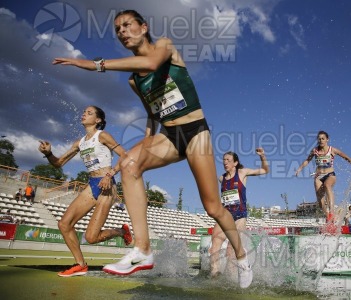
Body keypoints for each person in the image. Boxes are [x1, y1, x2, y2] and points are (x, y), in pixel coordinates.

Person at [52, 10, 253, 288]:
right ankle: (142, 249)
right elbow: (153, 114)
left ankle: (242, 257)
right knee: (129, 164)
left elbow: (152, 62)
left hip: (195, 133)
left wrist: (94, 64)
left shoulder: (164, 46)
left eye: (127, 25)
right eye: (117, 29)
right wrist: (145, 143)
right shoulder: (134, 80)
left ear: (144, 27)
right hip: (169, 136)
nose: (122, 32)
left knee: (213, 207)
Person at [38, 105, 132, 277]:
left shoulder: (102, 135)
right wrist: (49, 153)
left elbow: (125, 155)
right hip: (92, 184)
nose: (84, 114)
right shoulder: (79, 143)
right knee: (64, 224)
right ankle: (80, 265)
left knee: (91, 237)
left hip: (107, 185)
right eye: (83, 112)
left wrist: (110, 174)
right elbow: (58, 163)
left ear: (98, 120)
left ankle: (121, 231)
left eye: (89, 113)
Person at [209, 148, 269, 279]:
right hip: (225, 215)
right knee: (214, 245)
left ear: (235, 163)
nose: (225, 162)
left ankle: (231, 279)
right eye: (224, 160)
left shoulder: (242, 173)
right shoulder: (221, 178)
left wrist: (262, 156)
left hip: (239, 216)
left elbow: (265, 170)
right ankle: (214, 275)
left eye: (228, 160)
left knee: (232, 249)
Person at [295, 131, 351, 226]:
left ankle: (332, 212)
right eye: (319, 138)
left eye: (323, 138)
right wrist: (299, 169)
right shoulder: (315, 151)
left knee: (327, 185)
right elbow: (307, 160)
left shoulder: (332, 150)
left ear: (327, 139)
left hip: (330, 174)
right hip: (318, 176)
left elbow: (345, 156)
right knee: (320, 201)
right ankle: (328, 217)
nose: (321, 140)